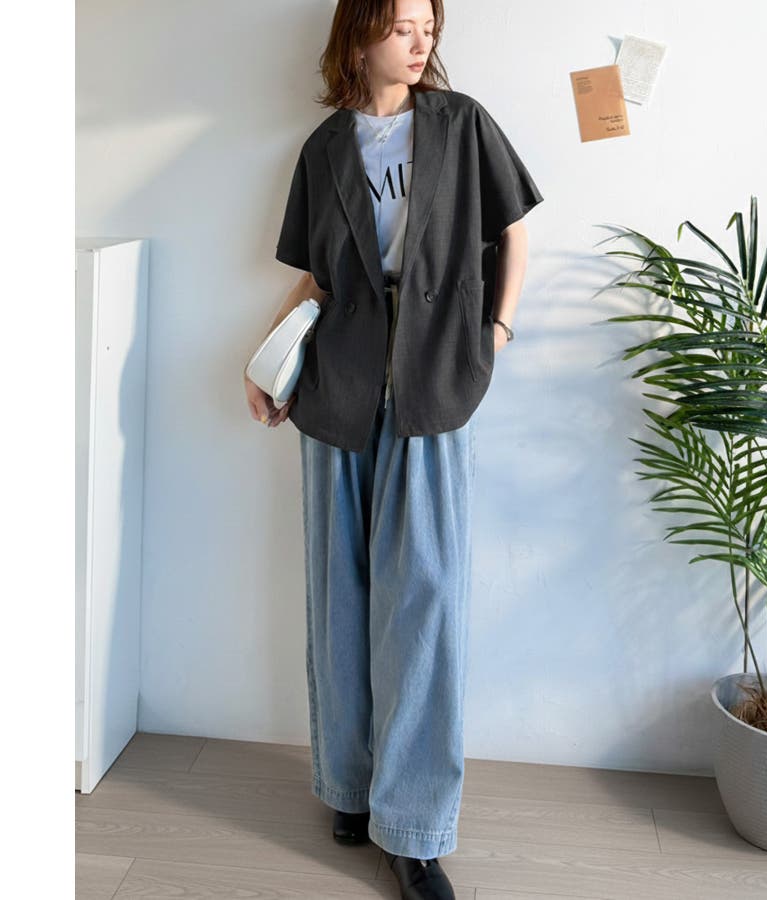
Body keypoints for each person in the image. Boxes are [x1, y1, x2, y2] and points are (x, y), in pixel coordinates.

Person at [244, 2, 542, 898]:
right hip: (337, 385)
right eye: (403, 24)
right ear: (360, 33)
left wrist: (496, 333)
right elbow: (318, 280)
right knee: (341, 595)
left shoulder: (461, 125)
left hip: (433, 382)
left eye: (428, 24)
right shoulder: (325, 148)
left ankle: (411, 831)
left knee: (425, 599)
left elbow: (514, 233)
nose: (422, 41)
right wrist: (265, 365)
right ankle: (348, 785)